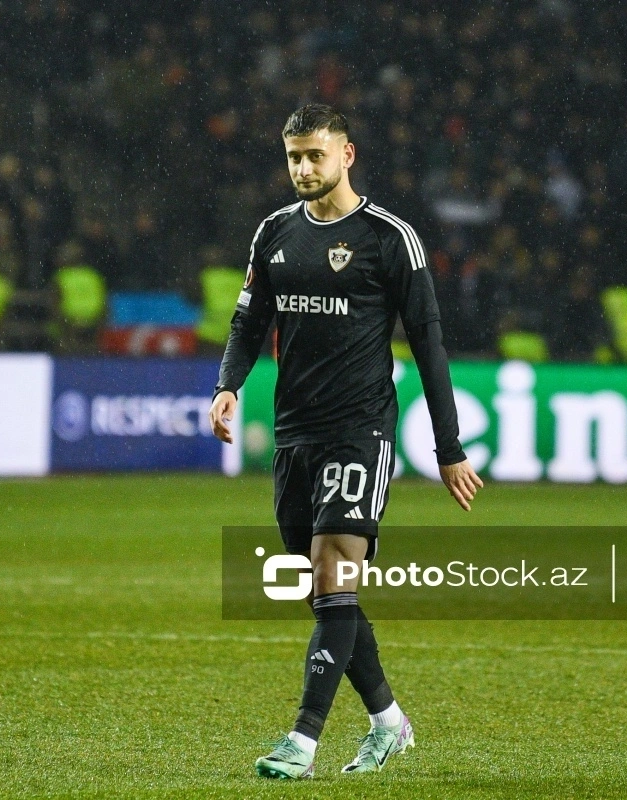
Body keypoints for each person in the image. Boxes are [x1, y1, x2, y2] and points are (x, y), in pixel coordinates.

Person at [208, 104, 483, 780]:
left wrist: (448, 447)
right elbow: (250, 321)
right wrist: (229, 385)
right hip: (293, 430)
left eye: (316, 155)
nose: (304, 168)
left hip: (359, 431)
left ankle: (301, 743)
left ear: (347, 154)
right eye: (294, 157)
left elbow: (430, 346)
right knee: (324, 592)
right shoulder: (273, 233)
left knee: (333, 573)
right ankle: (389, 722)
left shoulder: (391, 239)